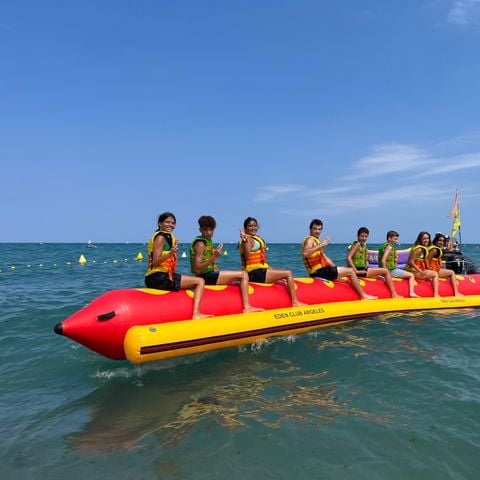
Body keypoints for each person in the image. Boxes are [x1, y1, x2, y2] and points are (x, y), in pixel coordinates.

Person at [145, 212, 212, 319]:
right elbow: (155, 262)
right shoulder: (161, 238)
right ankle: (196, 313)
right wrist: (170, 254)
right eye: (167, 222)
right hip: (158, 278)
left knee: (189, 280)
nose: (170, 225)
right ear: (160, 223)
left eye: (173, 223)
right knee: (200, 281)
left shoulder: (166, 237)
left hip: (159, 276)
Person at [190, 215, 264, 313]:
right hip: (205, 277)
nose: (209, 232)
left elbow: (207, 265)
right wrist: (214, 257)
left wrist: (214, 264)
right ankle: (247, 307)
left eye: (211, 230)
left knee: (234, 279)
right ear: (200, 229)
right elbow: (197, 269)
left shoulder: (207, 241)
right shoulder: (200, 244)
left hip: (208, 275)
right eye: (205, 230)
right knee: (243, 275)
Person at [302, 219, 377, 300]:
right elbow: (305, 253)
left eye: (319, 229)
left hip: (321, 271)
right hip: (318, 272)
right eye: (315, 229)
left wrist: (335, 268)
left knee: (345, 273)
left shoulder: (315, 241)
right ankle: (363, 296)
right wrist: (321, 245)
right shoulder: (310, 240)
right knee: (351, 271)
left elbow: (325, 258)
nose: (317, 231)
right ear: (310, 229)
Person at [239, 217, 305, 307]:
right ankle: (295, 302)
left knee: (278, 273)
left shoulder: (253, 238)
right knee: (288, 273)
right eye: (250, 226)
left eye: (255, 226)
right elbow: (247, 256)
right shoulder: (248, 239)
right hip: (255, 274)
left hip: (256, 272)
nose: (253, 228)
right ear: (245, 228)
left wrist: (269, 268)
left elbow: (259, 262)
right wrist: (245, 241)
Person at [346, 227, 402, 298]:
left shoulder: (362, 245)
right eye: (362, 236)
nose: (364, 238)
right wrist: (355, 271)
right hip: (359, 271)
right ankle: (394, 294)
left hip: (362, 270)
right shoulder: (357, 244)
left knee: (379, 276)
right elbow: (348, 258)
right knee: (386, 271)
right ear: (358, 236)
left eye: (366, 236)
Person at [378, 230, 420, 298]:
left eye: (397, 239)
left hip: (383, 270)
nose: (397, 241)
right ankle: (412, 293)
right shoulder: (389, 247)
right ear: (389, 238)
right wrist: (386, 273)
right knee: (411, 275)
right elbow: (383, 260)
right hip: (390, 271)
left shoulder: (383, 245)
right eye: (395, 239)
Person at [405, 231, 440, 297]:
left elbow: (424, 261)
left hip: (415, 270)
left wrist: (427, 269)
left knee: (432, 273)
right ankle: (436, 294)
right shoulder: (419, 249)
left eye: (427, 238)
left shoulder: (422, 248)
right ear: (420, 239)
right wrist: (420, 271)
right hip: (412, 271)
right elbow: (411, 261)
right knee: (435, 274)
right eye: (424, 239)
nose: (426, 240)